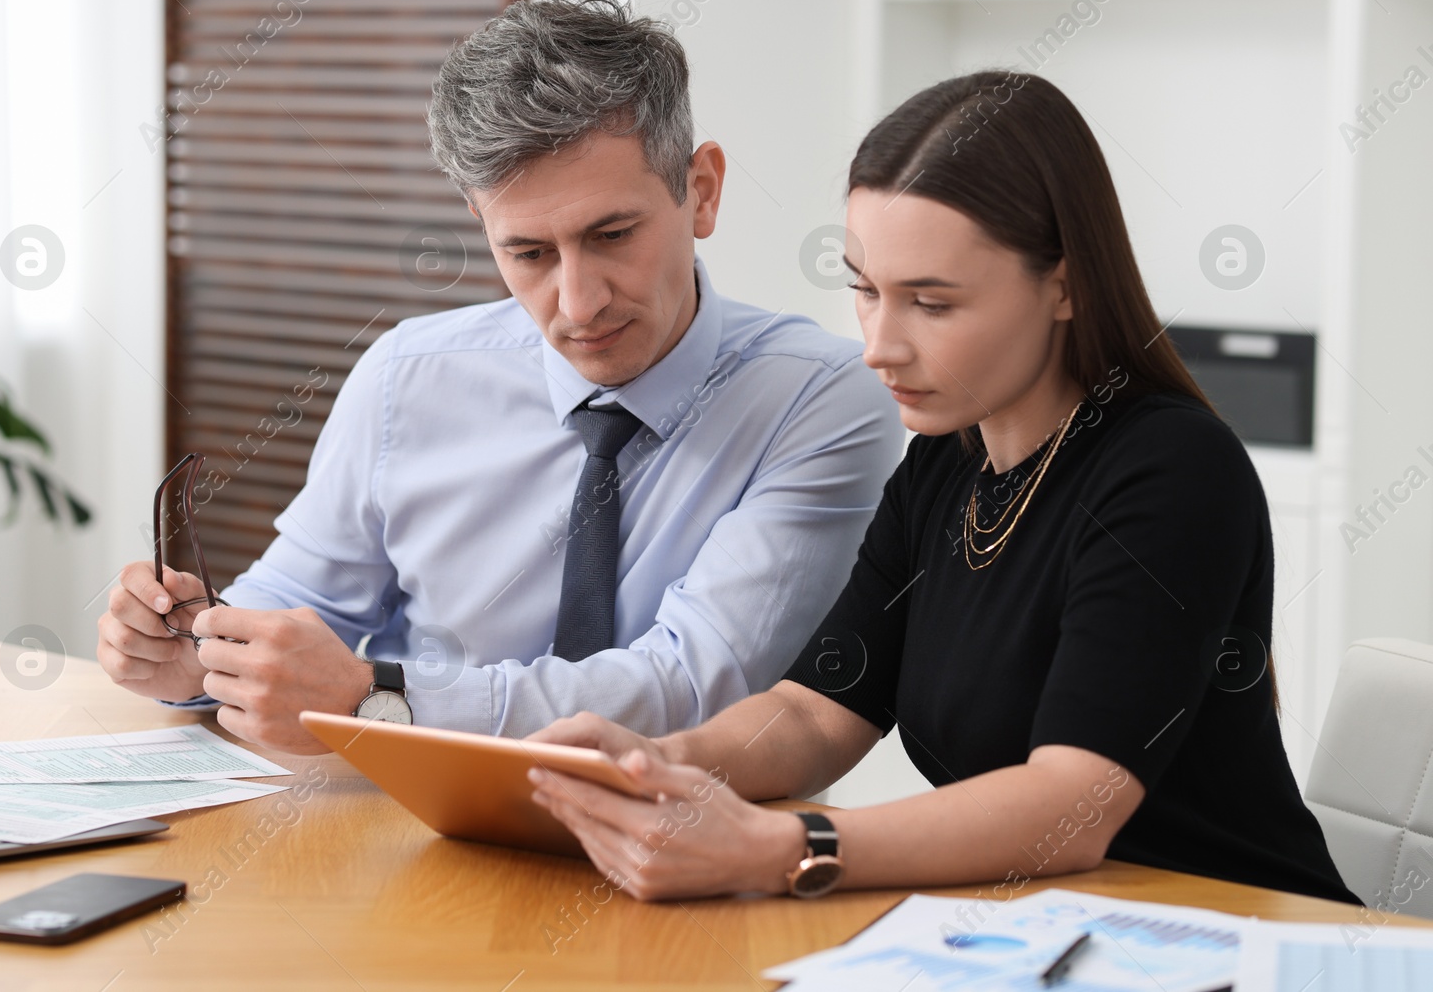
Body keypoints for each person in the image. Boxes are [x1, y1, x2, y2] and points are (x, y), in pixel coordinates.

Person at [526, 70, 1360, 907]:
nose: (880, 346)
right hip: (1047, 930)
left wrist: (782, 847)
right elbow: (817, 713)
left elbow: (1073, 804)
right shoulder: (943, 464)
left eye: (930, 301)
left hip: (1235, 933)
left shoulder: (1174, 470)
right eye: (865, 289)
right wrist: (659, 760)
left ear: (1065, 283)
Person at [95, 0, 900, 754]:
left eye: (613, 234)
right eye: (528, 252)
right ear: (481, 225)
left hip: (685, 851)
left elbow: (695, 689)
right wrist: (198, 653)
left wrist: (381, 697)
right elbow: (297, 610)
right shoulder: (407, 378)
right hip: (413, 833)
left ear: (701, 192)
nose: (579, 303)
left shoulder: (824, 399)